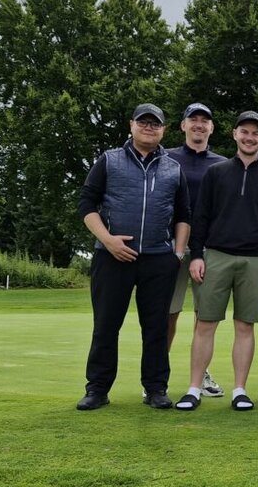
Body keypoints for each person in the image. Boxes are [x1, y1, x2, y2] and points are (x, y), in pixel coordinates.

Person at [75, 103, 190, 411]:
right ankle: (97, 389)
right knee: (106, 325)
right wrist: (107, 240)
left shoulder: (173, 168)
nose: (149, 127)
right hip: (112, 257)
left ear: (164, 129)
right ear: (132, 125)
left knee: (155, 328)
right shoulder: (109, 160)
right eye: (144, 122)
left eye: (155, 124)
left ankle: (155, 389)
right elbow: (87, 204)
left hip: (158, 259)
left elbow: (183, 215)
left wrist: (177, 253)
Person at [176, 111, 258, 412]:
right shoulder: (217, 172)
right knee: (205, 324)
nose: (250, 137)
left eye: (256, 133)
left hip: (255, 261)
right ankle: (194, 388)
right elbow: (200, 218)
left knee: (244, 326)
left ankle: (239, 389)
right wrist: (197, 255)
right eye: (244, 132)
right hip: (216, 256)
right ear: (235, 134)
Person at [166, 102, 226, 398]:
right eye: (194, 120)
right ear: (183, 125)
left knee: (205, 316)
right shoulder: (166, 158)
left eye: (205, 120)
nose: (199, 124)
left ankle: (200, 376)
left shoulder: (223, 164)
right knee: (168, 314)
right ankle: (157, 375)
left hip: (209, 249)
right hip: (171, 247)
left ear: (212, 128)